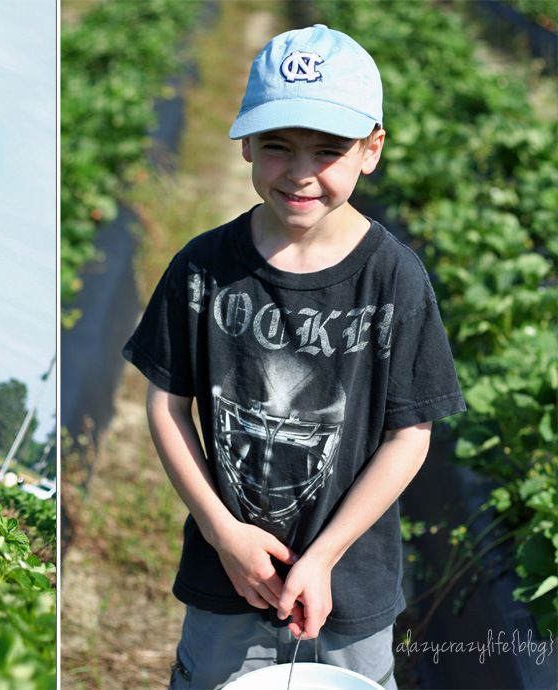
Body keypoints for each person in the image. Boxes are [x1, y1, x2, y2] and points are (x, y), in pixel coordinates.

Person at [122, 25, 466, 689]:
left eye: (328, 150)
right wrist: (224, 534)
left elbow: (409, 435)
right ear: (245, 142)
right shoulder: (205, 266)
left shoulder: (393, 278)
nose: (301, 171)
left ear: (371, 150)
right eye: (278, 147)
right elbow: (166, 405)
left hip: (350, 583)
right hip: (228, 576)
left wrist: (326, 554)